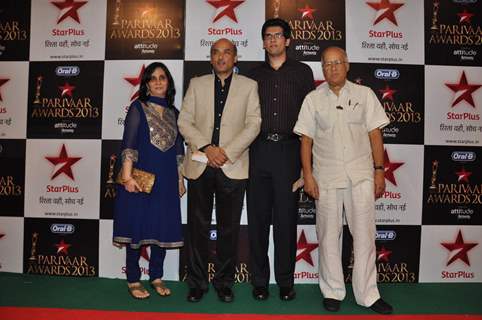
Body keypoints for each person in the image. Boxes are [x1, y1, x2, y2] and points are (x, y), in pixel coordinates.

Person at [293, 46, 393, 314]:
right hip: (325, 177)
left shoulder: (365, 94)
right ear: (322, 68)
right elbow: (305, 141)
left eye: (337, 63)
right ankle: (333, 290)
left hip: (361, 176)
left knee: (364, 236)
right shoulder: (313, 99)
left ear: (347, 65)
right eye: (327, 64)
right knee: (328, 236)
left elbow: (375, 134)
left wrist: (380, 170)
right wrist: (308, 175)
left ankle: (368, 294)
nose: (332, 68)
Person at [178, 38, 261, 303]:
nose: (221, 57)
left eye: (227, 52)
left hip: (233, 166)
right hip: (201, 165)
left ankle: (224, 282)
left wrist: (226, 152)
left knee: (229, 230)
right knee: (197, 229)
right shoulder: (197, 84)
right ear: (210, 58)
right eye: (216, 52)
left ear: (235, 58)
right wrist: (207, 147)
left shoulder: (249, 87)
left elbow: (253, 124)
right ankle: (197, 283)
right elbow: (184, 121)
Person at [247, 18, 314, 301]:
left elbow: (311, 121)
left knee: (287, 221)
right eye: (267, 36)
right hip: (258, 151)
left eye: (277, 35)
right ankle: (260, 281)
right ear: (263, 41)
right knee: (258, 220)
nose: (272, 40)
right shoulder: (252, 75)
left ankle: (286, 282)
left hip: (289, 152)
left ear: (287, 40)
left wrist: (308, 165)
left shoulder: (302, 72)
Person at [113, 62, 185, 300]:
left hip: (166, 179)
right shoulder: (138, 107)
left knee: (161, 228)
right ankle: (133, 279)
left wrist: (180, 180)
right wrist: (127, 176)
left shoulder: (175, 113)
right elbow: (129, 143)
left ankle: (156, 276)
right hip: (140, 179)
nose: (157, 82)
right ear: (145, 84)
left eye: (162, 77)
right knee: (137, 227)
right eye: (152, 78)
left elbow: (178, 151)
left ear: (168, 82)